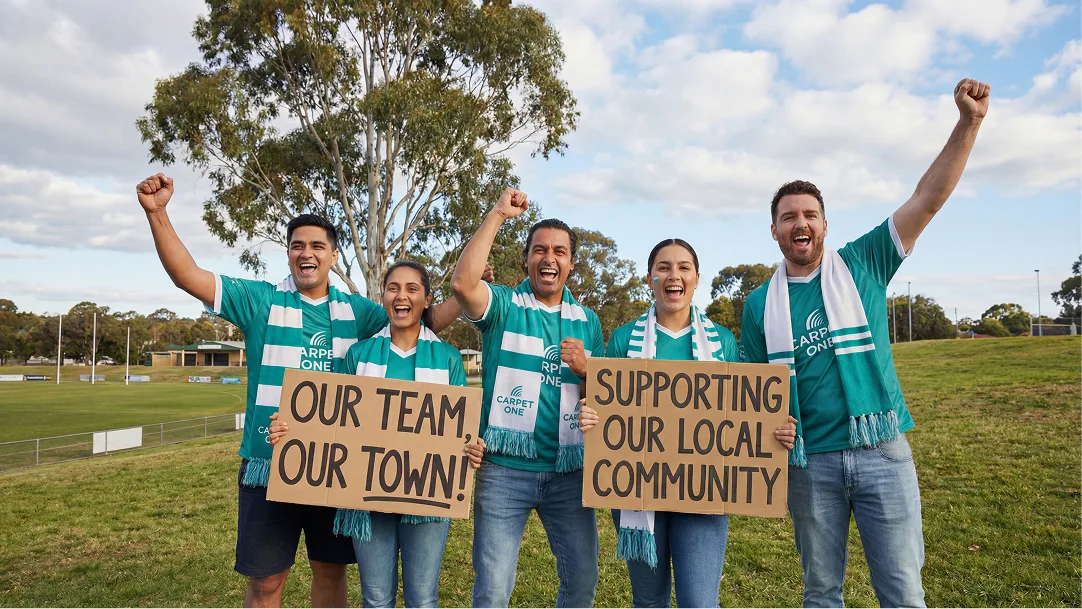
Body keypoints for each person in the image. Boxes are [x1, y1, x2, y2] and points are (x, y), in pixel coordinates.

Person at [135, 174, 468, 608]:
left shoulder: (360, 311)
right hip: (268, 462)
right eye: (297, 245)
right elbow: (187, 276)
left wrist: (466, 291)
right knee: (268, 582)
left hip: (337, 464)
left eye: (316, 246)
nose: (306, 253)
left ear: (332, 254)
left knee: (330, 575)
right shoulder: (261, 300)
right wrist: (157, 213)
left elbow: (420, 321)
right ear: (289, 253)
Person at [739, 78, 990, 608]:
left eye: (809, 214)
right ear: (775, 231)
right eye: (789, 217)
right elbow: (751, 392)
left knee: (901, 590)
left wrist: (968, 124)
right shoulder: (759, 304)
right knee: (821, 592)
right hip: (808, 465)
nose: (800, 223)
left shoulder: (863, 263)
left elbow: (928, 198)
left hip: (881, 452)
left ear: (824, 224)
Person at [578, 238, 796, 608]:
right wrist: (591, 417)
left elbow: (744, 416)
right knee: (648, 601)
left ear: (696, 278)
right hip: (637, 489)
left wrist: (775, 431)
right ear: (650, 278)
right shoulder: (623, 340)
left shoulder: (723, 343)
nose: (673, 275)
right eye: (663, 267)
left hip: (704, 492)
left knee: (699, 601)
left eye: (683, 268)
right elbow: (606, 411)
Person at [268, 260, 486, 608]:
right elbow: (332, 421)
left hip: (426, 498)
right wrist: (289, 430)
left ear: (428, 299)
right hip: (366, 497)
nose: (402, 296)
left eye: (412, 289)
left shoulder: (447, 359)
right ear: (382, 296)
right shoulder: (359, 355)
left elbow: (462, 430)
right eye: (393, 288)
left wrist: (472, 446)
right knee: (377, 597)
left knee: (422, 598)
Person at [449, 188, 605, 607]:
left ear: (571, 263)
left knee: (582, 581)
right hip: (504, 471)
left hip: (568, 473)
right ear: (527, 259)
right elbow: (463, 284)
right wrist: (498, 213)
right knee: (493, 589)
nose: (548, 258)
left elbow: (600, 401)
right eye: (539, 250)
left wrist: (590, 371)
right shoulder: (503, 305)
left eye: (559, 251)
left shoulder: (588, 321)